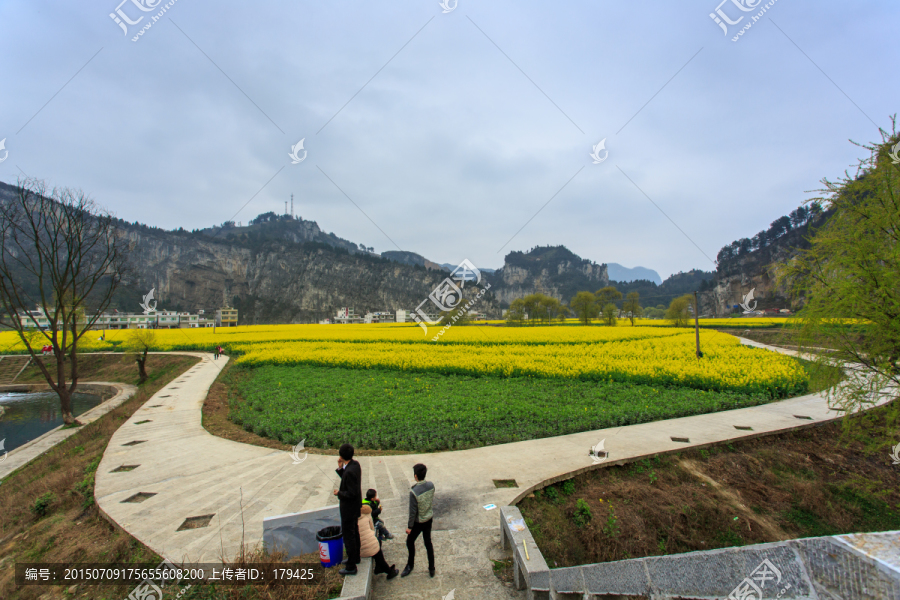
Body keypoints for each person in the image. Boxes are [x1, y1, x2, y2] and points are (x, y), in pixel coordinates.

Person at [401, 463, 435, 578]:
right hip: (429, 519)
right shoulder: (431, 485)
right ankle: (431, 568)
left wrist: (410, 527)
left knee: (410, 542)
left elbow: (412, 512)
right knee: (428, 543)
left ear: (415, 476)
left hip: (419, 522)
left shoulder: (414, 492)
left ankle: (410, 565)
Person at [333, 443, 362, 575]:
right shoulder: (355, 465)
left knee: (349, 536)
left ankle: (351, 566)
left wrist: (338, 493)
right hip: (355, 507)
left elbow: (351, 493)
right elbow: (349, 479)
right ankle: (355, 557)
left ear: (341, 455)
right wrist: (341, 468)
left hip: (348, 509)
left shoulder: (350, 471)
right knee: (355, 532)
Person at [358, 505, 399, 579]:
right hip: (370, 545)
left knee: (376, 549)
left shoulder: (352, 518)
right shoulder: (367, 514)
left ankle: (378, 568)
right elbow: (372, 529)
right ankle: (390, 572)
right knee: (378, 550)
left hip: (361, 549)